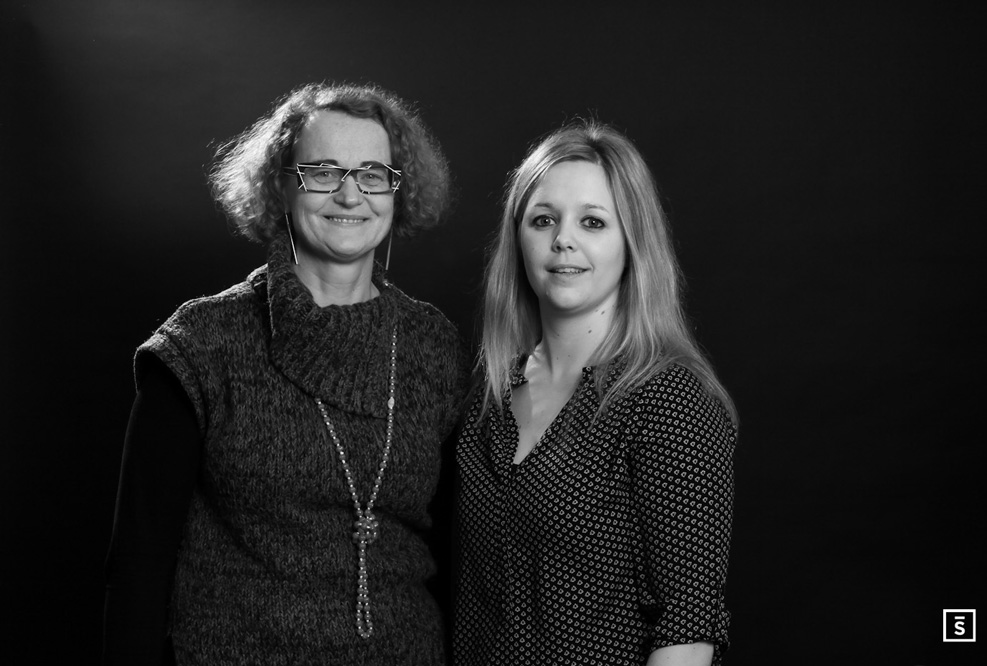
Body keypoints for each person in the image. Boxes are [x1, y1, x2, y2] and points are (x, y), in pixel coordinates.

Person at [103, 82, 469, 666]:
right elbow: (138, 566)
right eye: (323, 172)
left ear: (398, 192)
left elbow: (456, 553)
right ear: (281, 186)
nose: (350, 194)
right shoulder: (203, 344)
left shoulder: (434, 346)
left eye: (372, 174)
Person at [454, 120, 737, 666]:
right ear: (518, 239)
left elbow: (688, 628)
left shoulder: (668, 398)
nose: (563, 239)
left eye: (593, 221)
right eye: (543, 220)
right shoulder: (488, 397)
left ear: (632, 243)